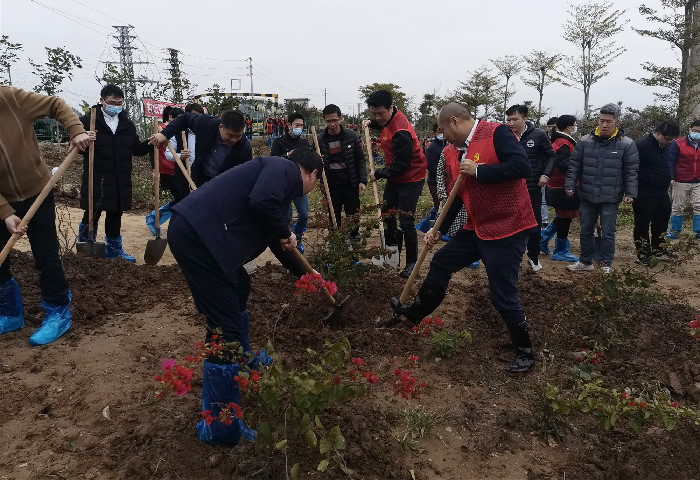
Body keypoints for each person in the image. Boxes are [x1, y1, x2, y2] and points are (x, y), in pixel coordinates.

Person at [167, 148, 322, 446]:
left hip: (204, 238)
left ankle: (242, 358)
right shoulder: (283, 169)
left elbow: (281, 247)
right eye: (313, 185)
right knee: (225, 328)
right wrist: (283, 230)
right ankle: (222, 426)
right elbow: (262, 203)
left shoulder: (279, 196)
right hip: (197, 238)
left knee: (239, 286)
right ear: (312, 174)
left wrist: (309, 277)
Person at [390, 102, 537, 373]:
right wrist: (439, 229)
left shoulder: (497, 133)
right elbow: (458, 196)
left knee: (502, 294)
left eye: (444, 130)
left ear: (455, 121)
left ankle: (525, 351)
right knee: (442, 262)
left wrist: (480, 171)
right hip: (476, 226)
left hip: (508, 227)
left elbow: (521, 167)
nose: (443, 136)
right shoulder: (452, 152)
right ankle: (415, 313)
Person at [0, 86, 90, 345]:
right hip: (2, 199)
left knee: (46, 255)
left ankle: (58, 312)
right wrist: (6, 213)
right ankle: (8, 313)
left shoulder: (10, 98)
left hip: (37, 192)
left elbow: (56, 104)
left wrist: (76, 130)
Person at [78, 84, 151, 263]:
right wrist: (84, 137)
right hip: (97, 177)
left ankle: (114, 252)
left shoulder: (126, 124)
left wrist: (152, 141)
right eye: (112, 102)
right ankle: (86, 246)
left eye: (119, 103)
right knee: (91, 213)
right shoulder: (88, 121)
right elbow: (77, 147)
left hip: (120, 178)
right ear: (102, 101)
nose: (116, 106)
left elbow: (136, 149)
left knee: (115, 214)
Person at [565, 103, 639, 274]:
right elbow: (574, 166)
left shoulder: (627, 144)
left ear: (617, 122)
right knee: (585, 230)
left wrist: (630, 193)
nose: (604, 125)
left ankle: (605, 263)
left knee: (608, 232)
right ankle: (585, 261)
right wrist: (570, 185)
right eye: (601, 121)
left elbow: (631, 171)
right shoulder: (585, 141)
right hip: (587, 195)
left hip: (610, 197)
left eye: (608, 122)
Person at [362, 90, 427, 278]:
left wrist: (379, 174)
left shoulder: (401, 133)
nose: (377, 117)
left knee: (406, 219)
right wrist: (371, 122)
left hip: (411, 178)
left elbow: (401, 166)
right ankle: (392, 251)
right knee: (386, 213)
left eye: (380, 113)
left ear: (391, 108)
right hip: (396, 177)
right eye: (373, 113)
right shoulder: (389, 118)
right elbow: (383, 122)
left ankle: (412, 263)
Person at [505, 104, 555, 272]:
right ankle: (514, 258)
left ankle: (533, 257)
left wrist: (546, 174)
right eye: (508, 119)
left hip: (532, 188)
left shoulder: (538, 135)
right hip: (510, 189)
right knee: (512, 225)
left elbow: (551, 157)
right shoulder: (504, 136)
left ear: (524, 119)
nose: (511, 123)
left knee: (534, 225)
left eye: (515, 119)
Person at [156, 109, 251, 187]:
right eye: (230, 135)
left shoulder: (244, 148)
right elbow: (185, 118)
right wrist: (165, 134)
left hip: (224, 185)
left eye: (238, 136)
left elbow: (243, 177)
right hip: (200, 177)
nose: (234, 140)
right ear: (221, 127)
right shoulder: (207, 124)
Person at [633, 120, 680, 264]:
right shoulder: (642, 146)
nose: (669, 142)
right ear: (658, 133)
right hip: (644, 192)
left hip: (661, 192)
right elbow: (632, 169)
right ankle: (643, 255)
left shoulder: (665, 146)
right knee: (642, 223)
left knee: (662, 221)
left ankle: (658, 249)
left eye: (672, 139)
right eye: (667, 139)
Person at [317, 104, 367, 233]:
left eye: (334, 120)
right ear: (325, 121)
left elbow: (360, 159)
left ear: (340, 119)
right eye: (329, 121)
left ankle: (353, 248)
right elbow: (315, 164)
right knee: (334, 219)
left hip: (350, 184)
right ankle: (336, 246)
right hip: (331, 187)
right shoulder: (320, 140)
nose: (332, 124)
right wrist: (318, 159)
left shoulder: (351, 136)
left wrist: (362, 180)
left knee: (353, 219)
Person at [541, 115, 580, 262]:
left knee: (564, 216)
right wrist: (578, 160)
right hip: (562, 186)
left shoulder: (558, 141)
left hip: (558, 185)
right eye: (574, 125)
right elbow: (562, 164)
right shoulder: (564, 143)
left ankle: (543, 238)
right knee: (565, 218)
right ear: (569, 127)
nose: (575, 127)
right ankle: (560, 250)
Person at [271, 113, 312, 253]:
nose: (299, 128)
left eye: (301, 125)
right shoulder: (279, 142)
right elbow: (272, 162)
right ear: (289, 125)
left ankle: (298, 237)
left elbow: (309, 162)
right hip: (284, 185)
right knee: (286, 216)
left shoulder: (304, 143)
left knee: (304, 214)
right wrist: (287, 155)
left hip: (300, 185)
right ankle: (287, 243)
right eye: (296, 125)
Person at [666, 120, 700, 239]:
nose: (697, 133)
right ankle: (674, 231)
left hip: (698, 181)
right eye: (695, 130)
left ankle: (699, 232)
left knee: (698, 206)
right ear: (690, 130)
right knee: (678, 206)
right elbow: (671, 161)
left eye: (699, 131)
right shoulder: (678, 143)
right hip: (680, 180)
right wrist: (671, 177)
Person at [425, 123, 444, 210]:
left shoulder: (447, 145)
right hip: (435, 183)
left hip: (445, 182)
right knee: (440, 207)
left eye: (443, 130)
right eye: (439, 131)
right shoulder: (432, 148)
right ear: (434, 133)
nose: (442, 133)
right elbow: (431, 166)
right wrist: (443, 175)